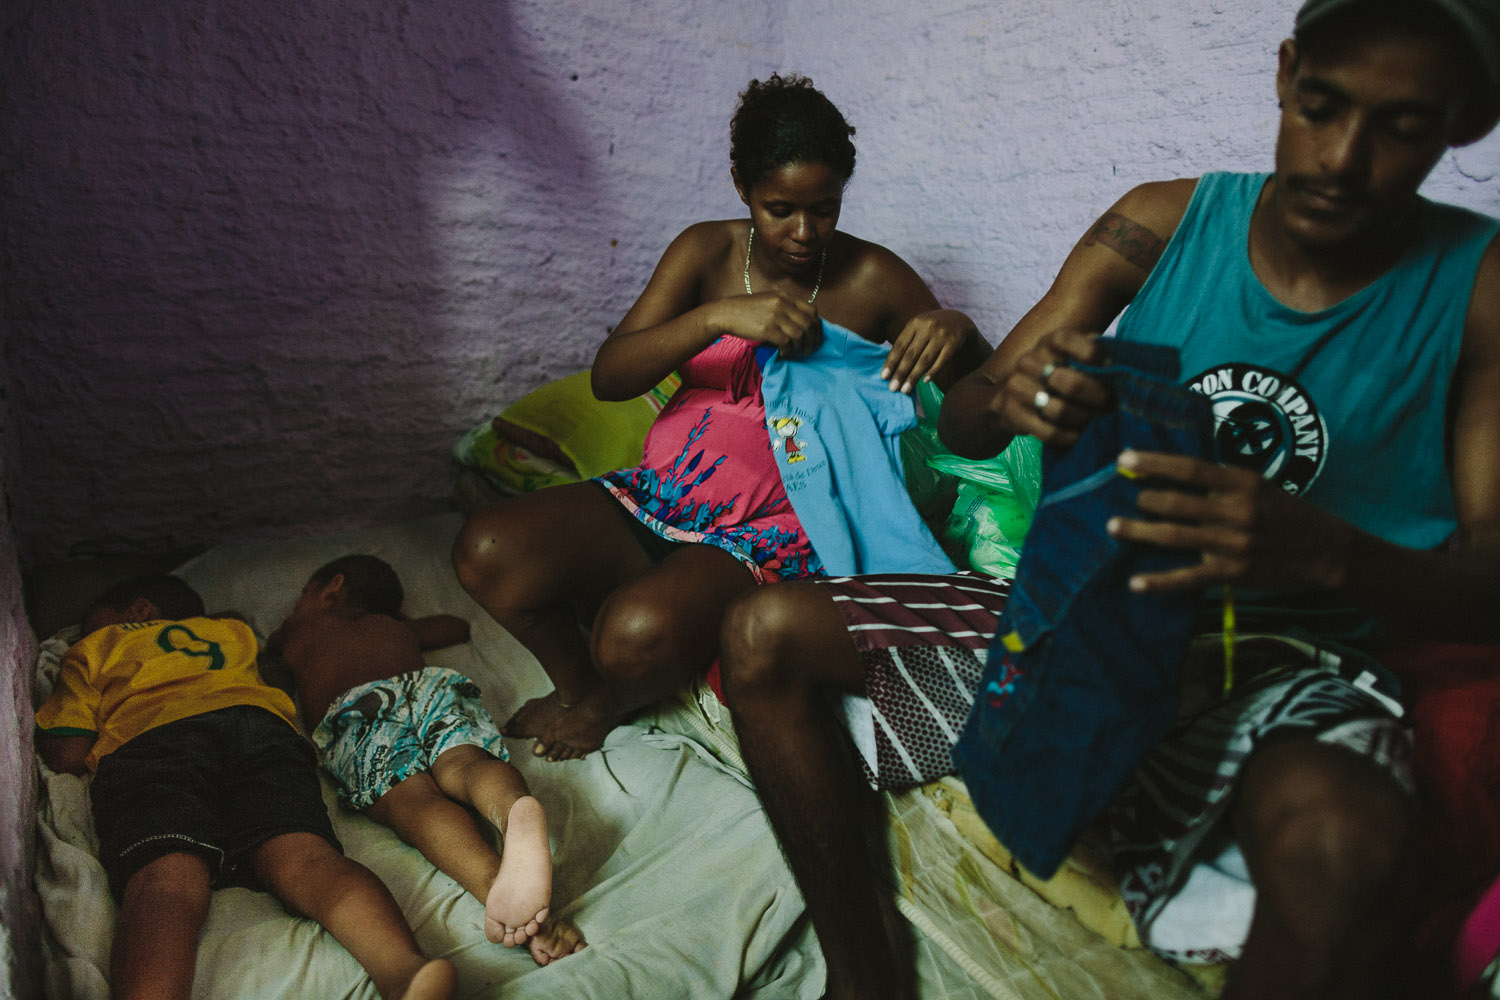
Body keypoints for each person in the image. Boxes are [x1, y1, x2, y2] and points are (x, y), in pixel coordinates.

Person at [717, 2, 1500, 998]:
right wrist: (1015, 392)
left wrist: (1327, 553)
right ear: (1284, 72)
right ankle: (866, 976)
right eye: (1321, 106)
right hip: (1074, 618)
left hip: (1284, 659)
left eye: (1400, 127)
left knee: (1347, 840)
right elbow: (962, 424)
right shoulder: (1165, 223)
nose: (1342, 157)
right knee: (760, 633)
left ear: (1465, 122)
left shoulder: (1477, 286)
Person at [452, 73, 990, 761]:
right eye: (779, 209)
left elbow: (981, 406)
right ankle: (583, 685)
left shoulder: (874, 280)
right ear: (741, 186)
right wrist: (714, 318)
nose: (803, 234)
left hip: (779, 526)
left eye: (824, 209)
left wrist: (961, 334)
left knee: (631, 632)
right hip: (668, 492)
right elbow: (612, 375)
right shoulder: (704, 253)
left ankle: (616, 694)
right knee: (486, 549)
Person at [34, 574, 457, 1000]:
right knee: (308, 860)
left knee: (167, 882)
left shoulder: (94, 648)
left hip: (154, 740)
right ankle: (404, 971)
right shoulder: (231, 632)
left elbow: (67, 754)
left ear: (139, 609)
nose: (84, 631)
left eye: (93, 621)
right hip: (259, 728)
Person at [268, 554, 586, 965]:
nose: (295, 608)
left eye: (301, 597)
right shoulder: (398, 628)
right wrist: (399, 621)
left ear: (332, 589)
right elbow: (455, 626)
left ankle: (493, 884)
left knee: (413, 802)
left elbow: (268, 663)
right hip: (428, 687)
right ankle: (513, 812)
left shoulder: (297, 630)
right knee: (465, 765)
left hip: (359, 710)